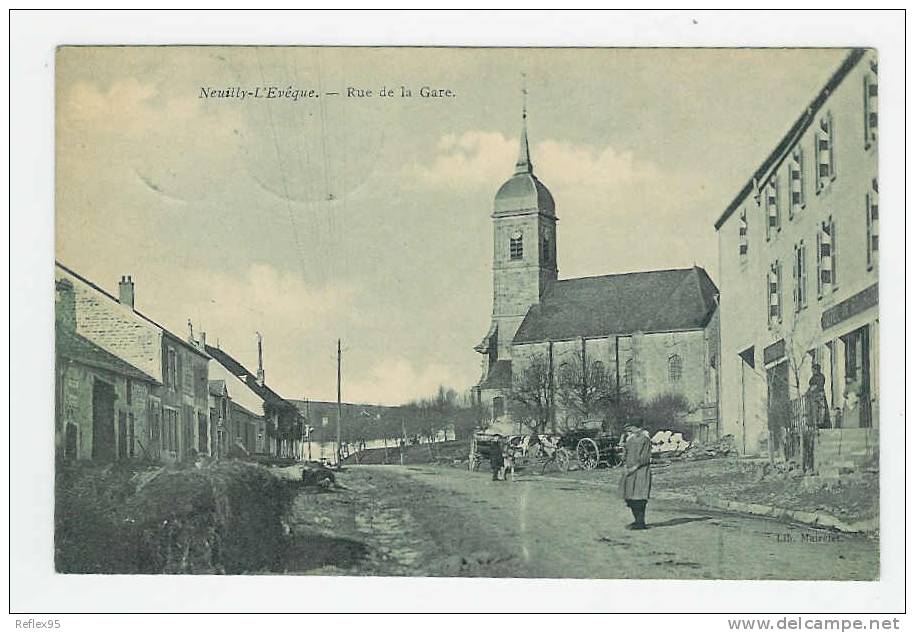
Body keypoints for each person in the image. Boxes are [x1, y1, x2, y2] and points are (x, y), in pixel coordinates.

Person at [619, 421, 652, 530]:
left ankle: (640, 522)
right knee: (630, 497)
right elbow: (625, 454)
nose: (630, 430)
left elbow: (645, 457)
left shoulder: (645, 440)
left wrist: (635, 467)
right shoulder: (630, 440)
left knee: (639, 497)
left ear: (638, 428)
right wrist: (625, 465)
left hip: (640, 471)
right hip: (629, 472)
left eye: (632, 427)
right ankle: (636, 520)